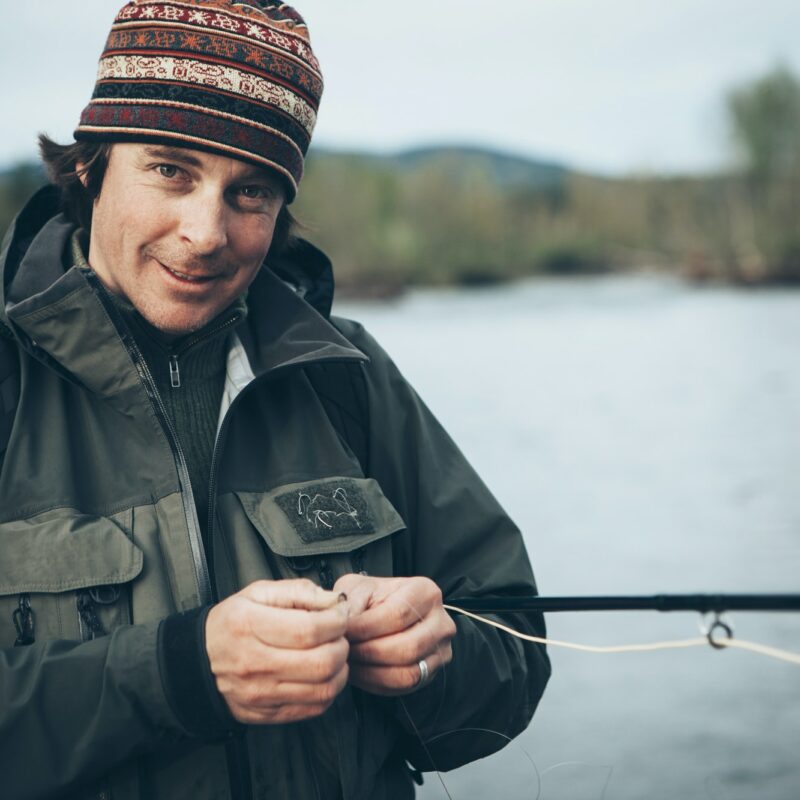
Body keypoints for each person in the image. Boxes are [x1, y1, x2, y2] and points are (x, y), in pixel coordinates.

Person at [0, 1, 550, 798]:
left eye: (250, 191)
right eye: (170, 169)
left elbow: (515, 650)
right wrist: (179, 675)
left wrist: (433, 661)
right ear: (91, 164)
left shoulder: (348, 373)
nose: (205, 232)